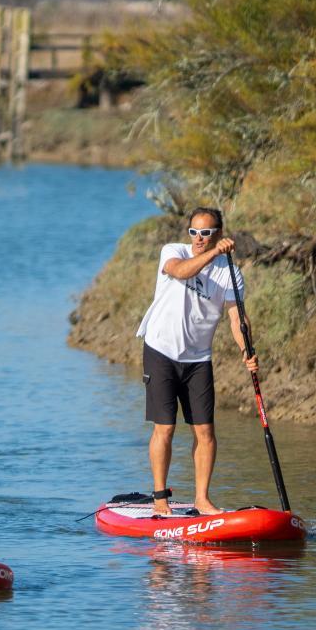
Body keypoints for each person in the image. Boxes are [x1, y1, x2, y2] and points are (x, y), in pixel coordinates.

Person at [133, 206, 259, 516]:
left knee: (205, 432)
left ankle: (202, 499)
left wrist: (248, 351)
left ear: (219, 231)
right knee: (165, 428)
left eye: (206, 232)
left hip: (198, 359)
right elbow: (181, 271)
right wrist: (214, 251)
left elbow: (235, 318)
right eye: (194, 232)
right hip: (160, 350)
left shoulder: (230, 273)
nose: (199, 238)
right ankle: (160, 499)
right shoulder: (172, 251)